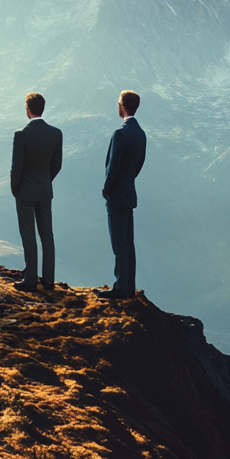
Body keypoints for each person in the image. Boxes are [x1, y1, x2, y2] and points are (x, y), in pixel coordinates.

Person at [10, 92, 62, 293]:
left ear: (27, 109)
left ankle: (31, 278)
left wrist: (16, 187)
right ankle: (49, 280)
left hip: (25, 191)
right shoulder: (56, 133)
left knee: (28, 235)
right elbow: (56, 164)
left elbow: (17, 166)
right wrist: (45, 180)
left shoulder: (21, 134)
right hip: (44, 189)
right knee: (47, 234)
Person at [97, 89, 147, 301]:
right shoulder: (140, 133)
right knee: (128, 243)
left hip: (116, 194)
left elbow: (112, 167)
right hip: (129, 192)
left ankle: (120, 287)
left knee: (118, 243)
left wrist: (106, 188)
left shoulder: (120, 133)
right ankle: (129, 286)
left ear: (122, 106)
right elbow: (138, 165)